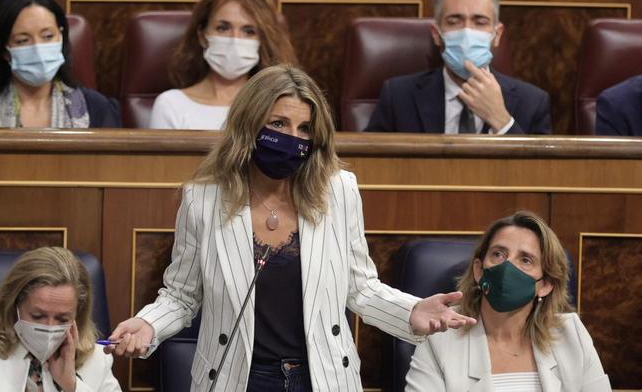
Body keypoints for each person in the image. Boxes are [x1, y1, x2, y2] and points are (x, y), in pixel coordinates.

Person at [105, 65, 476, 391]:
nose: (293, 138)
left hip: (321, 376)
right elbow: (182, 295)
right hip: (238, 377)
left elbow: (360, 286)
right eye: (279, 124)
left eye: (304, 128)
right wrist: (148, 324)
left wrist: (412, 311)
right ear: (249, 124)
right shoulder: (202, 199)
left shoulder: (338, 189)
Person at [406, 211, 611, 392]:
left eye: (525, 259)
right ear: (479, 270)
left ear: (546, 285)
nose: (507, 267)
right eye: (498, 254)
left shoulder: (571, 335)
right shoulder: (441, 338)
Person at [366, 0, 551, 135]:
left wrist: (501, 120)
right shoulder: (398, 96)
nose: (467, 32)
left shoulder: (532, 102)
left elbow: (543, 173)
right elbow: (370, 163)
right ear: (437, 34)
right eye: (454, 21)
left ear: (497, 35)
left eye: (480, 22)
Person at [0, 247, 122, 392]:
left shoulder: (97, 358)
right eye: (38, 316)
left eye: (62, 318)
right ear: (14, 306)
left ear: (76, 316)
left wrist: (72, 386)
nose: (49, 327)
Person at [0, 0, 121, 128]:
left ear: (61, 37)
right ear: (4, 50)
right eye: (23, 40)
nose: (38, 49)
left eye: (47, 36)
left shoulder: (97, 108)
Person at [148, 0, 297, 130]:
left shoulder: (279, 105)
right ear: (202, 36)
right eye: (223, 28)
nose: (235, 40)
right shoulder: (171, 104)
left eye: (248, 31)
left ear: (262, 40)